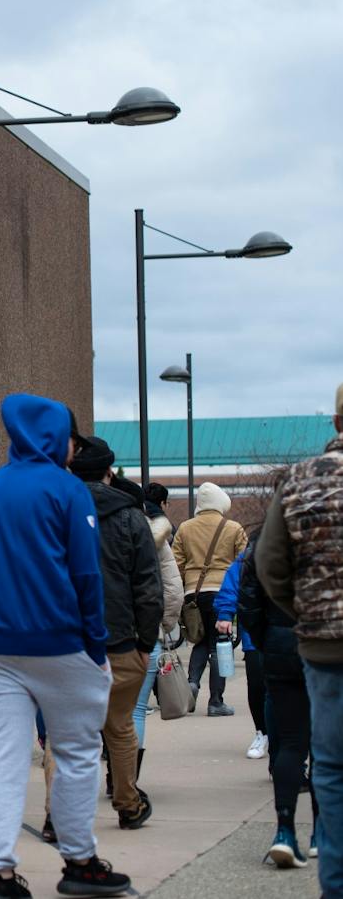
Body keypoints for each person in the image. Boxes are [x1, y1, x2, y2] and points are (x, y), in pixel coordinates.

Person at [0, 395, 132, 899]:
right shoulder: (67, 489)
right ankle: (79, 861)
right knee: (77, 753)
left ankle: (0, 874)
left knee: (6, 759)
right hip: (61, 643)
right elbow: (85, 575)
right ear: (60, 439)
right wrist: (96, 645)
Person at [257, 382, 343, 897]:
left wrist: (306, 612)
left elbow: (270, 566)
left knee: (330, 766)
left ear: (335, 422)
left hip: (323, 645)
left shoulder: (300, 479)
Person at [69, 440, 162, 831]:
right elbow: (148, 588)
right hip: (121, 639)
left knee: (67, 734)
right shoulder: (132, 518)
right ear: (111, 472)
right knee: (120, 726)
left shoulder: (59, 511)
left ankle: (59, 815)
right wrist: (145, 644)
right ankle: (128, 802)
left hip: (69, 642)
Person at [239, 511, 318, 869]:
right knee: (328, 750)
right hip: (322, 647)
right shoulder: (324, 536)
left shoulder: (262, 544)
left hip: (279, 646)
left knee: (289, 744)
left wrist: (264, 639)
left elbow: (249, 602)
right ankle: (323, 833)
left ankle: (284, 829)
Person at [172, 482, 247, 715]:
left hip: (193, 592)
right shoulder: (234, 528)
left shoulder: (185, 528)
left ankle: (192, 683)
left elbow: (176, 564)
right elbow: (244, 563)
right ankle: (216, 701)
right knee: (220, 643)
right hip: (222, 592)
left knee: (201, 640)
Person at [132, 483, 184, 761]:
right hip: (145, 631)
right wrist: (165, 623)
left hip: (101, 634)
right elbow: (173, 589)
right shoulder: (156, 537)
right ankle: (126, 778)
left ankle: (113, 761)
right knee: (136, 708)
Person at [214, 533, 267, 758]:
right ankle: (262, 732)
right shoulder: (247, 558)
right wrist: (225, 614)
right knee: (257, 686)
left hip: (292, 636)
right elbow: (231, 587)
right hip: (256, 635)